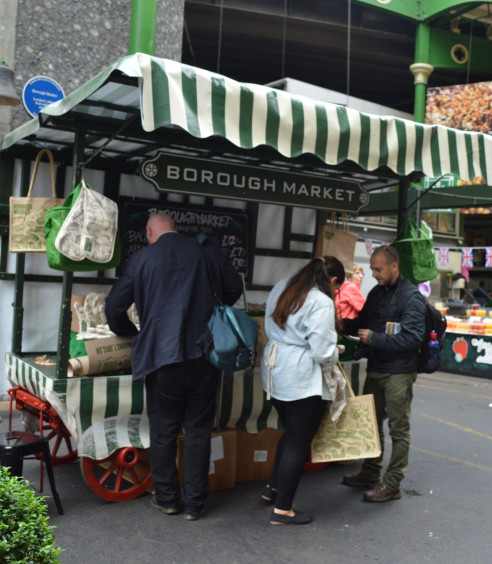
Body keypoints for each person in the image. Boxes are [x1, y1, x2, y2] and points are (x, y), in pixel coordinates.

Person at [105, 213, 243, 520]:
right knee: (198, 431)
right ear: (174, 229)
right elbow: (233, 289)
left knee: (164, 430)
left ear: (149, 232)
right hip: (204, 354)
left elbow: (113, 307)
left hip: (161, 356)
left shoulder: (142, 259)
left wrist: (134, 332)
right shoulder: (204, 251)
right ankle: (195, 504)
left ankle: (167, 499)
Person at [261, 256, 345, 525]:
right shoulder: (320, 300)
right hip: (300, 375)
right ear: (332, 280)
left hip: (274, 369)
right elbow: (322, 352)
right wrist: (336, 352)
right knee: (299, 442)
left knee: (290, 433)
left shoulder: (284, 285)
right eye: (336, 287)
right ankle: (282, 510)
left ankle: (273, 490)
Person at [340, 245, 425, 502]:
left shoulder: (412, 297)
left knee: (399, 430)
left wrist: (374, 338)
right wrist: (342, 323)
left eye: (378, 269)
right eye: (372, 269)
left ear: (394, 266)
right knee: (371, 424)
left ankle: (392, 483)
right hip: (376, 368)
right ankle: (369, 472)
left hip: (399, 372)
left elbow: (412, 338)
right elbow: (364, 323)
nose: (374, 274)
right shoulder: (376, 293)